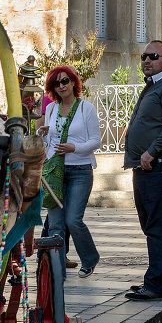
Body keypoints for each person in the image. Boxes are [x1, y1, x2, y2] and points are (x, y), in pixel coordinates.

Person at [121, 40, 162, 301]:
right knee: (152, 227)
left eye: (153, 56)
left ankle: (158, 285)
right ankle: (158, 280)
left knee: (158, 227)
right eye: (143, 56)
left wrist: (152, 151)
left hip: (159, 168)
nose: (146, 60)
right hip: (145, 168)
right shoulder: (153, 86)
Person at [39, 65, 100, 277]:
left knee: (73, 219)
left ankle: (90, 258)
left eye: (65, 81)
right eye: (57, 83)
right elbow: (51, 140)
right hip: (55, 170)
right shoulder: (51, 109)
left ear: (74, 82)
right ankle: (58, 271)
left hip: (80, 170)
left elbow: (96, 141)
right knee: (55, 224)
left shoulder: (85, 108)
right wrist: (42, 133)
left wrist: (75, 148)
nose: (62, 85)